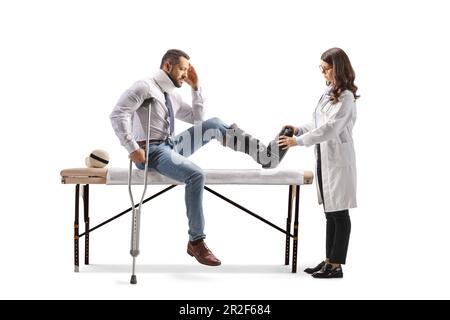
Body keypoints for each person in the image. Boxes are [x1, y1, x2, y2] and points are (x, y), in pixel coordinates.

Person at [110, 49, 290, 266]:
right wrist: (131, 148)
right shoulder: (144, 87)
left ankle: (265, 156)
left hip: (171, 145)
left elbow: (198, 119)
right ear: (168, 66)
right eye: (182, 69)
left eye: (187, 70)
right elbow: (118, 113)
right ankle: (196, 242)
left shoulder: (171, 94)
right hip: (151, 152)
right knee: (195, 175)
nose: (185, 74)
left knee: (213, 124)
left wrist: (196, 87)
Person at [278, 47, 359, 278]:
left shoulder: (346, 97)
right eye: (321, 68)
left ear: (338, 68)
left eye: (325, 68)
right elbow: (318, 123)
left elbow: (331, 128)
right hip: (325, 158)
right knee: (329, 212)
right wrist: (298, 129)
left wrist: (299, 141)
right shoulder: (329, 93)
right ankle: (328, 260)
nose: (322, 72)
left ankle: (336, 265)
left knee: (340, 214)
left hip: (339, 160)